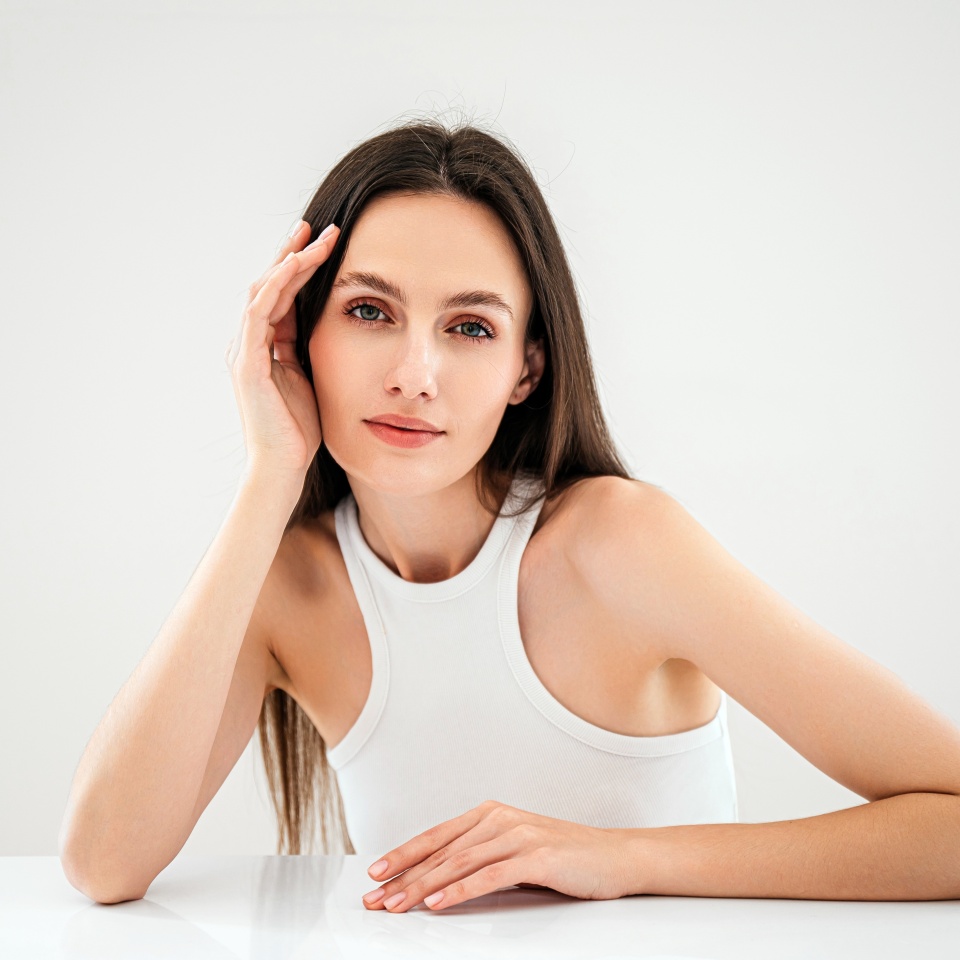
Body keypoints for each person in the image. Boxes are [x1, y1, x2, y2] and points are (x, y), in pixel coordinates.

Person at [59, 117, 960, 911]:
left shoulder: (618, 544)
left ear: (526, 370)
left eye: (470, 327)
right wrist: (269, 476)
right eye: (369, 310)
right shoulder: (285, 586)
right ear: (299, 334)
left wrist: (621, 860)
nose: (415, 373)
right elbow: (103, 864)